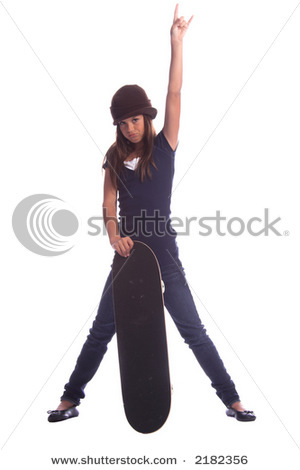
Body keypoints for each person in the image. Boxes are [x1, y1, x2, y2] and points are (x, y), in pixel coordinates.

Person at [48, 4, 256, 423]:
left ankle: (232, 400)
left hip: (164, 256)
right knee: (102, 331)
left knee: (193, 331)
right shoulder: (112, 157)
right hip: (127, 258)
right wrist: (113, 237)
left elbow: (174, 93)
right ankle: (70, 399)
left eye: (135, 119)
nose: (130, 128)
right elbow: (107, 205)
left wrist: (176, 43)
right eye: (122, 122)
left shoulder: (164, 147)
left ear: (147, 117)